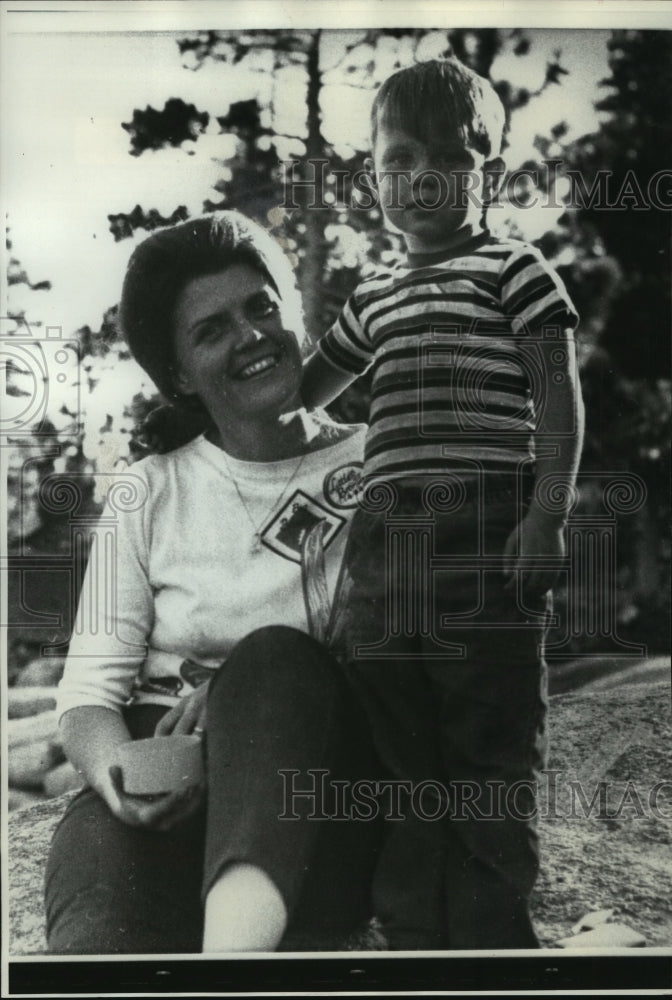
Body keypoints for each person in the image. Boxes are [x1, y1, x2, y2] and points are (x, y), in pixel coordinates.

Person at [45, 210, 383, 955]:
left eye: (261, 308)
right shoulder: (147, 490)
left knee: (270, 660)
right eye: (212, 330)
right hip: (171, 783)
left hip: (316, 797)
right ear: (178, 374)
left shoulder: (377, 464)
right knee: (97, 928)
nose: (251, 336)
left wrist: (238, 695)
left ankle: (234, 966)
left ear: (292, 313)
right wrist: (120, 782)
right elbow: (88, 699)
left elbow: (410, 651)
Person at [303, 58, 585, 948]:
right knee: (400, 758)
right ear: (374, 173)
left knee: (489, 754)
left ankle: (496, 947)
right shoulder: (374, 295)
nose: (417, 176)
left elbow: (561, 401)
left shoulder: (515, 269)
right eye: (396, 157)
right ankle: (419, 945)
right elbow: (300, 391)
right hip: (387, 559)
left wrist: (547, 517)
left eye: (445, 157)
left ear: (487, 172)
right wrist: (199, 406)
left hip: (488, 537)